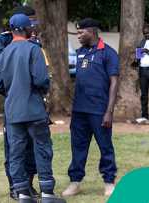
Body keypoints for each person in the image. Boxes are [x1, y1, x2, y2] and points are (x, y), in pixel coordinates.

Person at [0, 14, 66, 203]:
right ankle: (47, 194)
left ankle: (23, 194)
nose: (32, 29)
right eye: (30, 27)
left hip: (12, 111)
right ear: (24, 29)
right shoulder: (34, 50)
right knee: (42, 148)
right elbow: (41, 80)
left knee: (16, 153)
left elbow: (0, 86)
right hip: (34, 109)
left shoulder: (3, 53)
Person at [62, 18, 119, 197]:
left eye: (81, 32)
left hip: (100, 110)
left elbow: (114, 82)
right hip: (80, 111)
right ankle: (75, 182)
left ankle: (109, 182)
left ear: (92, 32)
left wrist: (109, 111)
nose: (78, 35)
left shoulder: (108, 53)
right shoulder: (80, 52)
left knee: (105, 147)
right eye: (77, 32)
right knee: (78, 147)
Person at [0, 6, 39, 201]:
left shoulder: (36, 40)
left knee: (32, 145)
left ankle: (29, 184)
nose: (32, 25)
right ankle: (15, 185)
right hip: (14, 100)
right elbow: (5, 72)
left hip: (33, 101)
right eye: (29, 21)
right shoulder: (4, 40)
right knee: (13, 146)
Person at [134, 24, 149, 119]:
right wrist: (136, 59)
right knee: (144, 94)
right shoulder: (141, 42)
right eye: (145, 33)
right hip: (143, 70)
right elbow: (138, 57)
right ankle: (144, 115)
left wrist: (147, 51)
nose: (146, 35)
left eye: (148, 33)